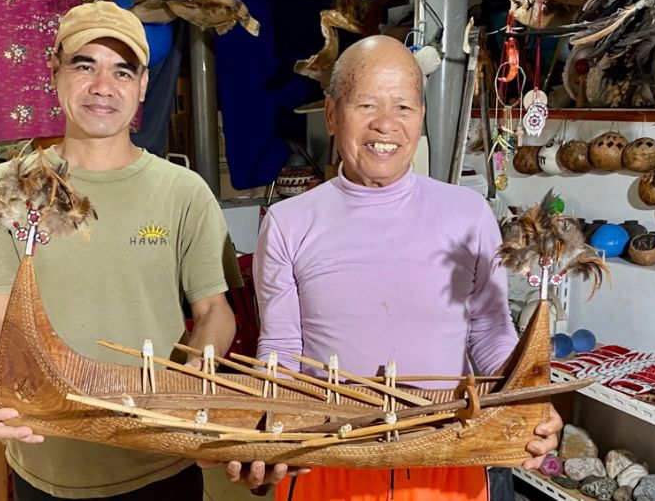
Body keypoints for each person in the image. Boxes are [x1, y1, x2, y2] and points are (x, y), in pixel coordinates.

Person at [235, 35, 563, 500]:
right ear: (331, 115)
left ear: (421, 118)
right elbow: (283, 348)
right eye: (366, 105)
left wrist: (527, 400)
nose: (385, 124)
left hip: (447, 454)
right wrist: (264, 426)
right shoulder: (289, 223)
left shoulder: (467, 214)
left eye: (404, 108)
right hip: (330, 457)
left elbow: (490, 331)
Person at [0, 1, 240, 500]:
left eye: (122, 70)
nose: (103, 86)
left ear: (144, 85)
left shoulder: (183, 191)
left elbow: (215, 309)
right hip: (46, 457)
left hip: (159, 458)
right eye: (84, 65)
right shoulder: (7, 189)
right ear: (54, 71)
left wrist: (200, 370)